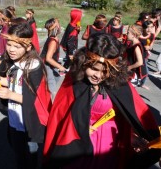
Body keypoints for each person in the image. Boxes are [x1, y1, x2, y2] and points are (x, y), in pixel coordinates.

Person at [43, 33, 161, 169]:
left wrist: (131, 137)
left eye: (106, 71)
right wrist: (79, 128)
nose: (98, 76)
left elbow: (127, 117)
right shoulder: (75, 80)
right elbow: (61, 114)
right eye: (93, 69)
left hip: (108, 142)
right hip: (76, 140)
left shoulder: (120, 85)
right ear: (84, 62)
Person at [0, 23, 52, 169]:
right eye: (9, 44)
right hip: (15, 118)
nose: (11, 49)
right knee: (18, 153)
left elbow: (37, 100)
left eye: (17, 46)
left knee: (30, 155)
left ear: (28, 47)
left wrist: (10, 95)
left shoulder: (34, 67)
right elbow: (12, 81)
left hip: (28, 121)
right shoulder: (14, 62)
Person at [40, 18, 66, 99]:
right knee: (52, 90)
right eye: (58, 24)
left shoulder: (54, 38)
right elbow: (48, 58)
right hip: (46, 65)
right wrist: (60, 67)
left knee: (55, 79)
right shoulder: (53, 41)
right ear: (55, 28)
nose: (59, 26)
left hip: (50, 65)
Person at [138, 20, 155, 90]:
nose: (149, 29)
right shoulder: (139, 36)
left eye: (151, 27)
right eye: (147, 27)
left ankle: (141, 83)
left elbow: (151, 46)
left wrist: (149, 48)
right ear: (143, 28)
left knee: (145, 71)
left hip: (145, 56)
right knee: (143, 70)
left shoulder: (151, 35)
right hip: (137, 55)